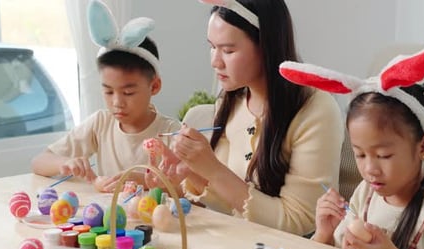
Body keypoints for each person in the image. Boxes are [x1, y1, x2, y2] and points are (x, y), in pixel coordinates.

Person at [146, 0, 344, 236]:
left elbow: (300, 221)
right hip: (239, 246)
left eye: (228, 50)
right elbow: (231, 208)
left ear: (266, 46)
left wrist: (213, 170)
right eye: (212, 47)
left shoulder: (315, 109)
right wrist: (191, 172)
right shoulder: (231, 101)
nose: (214, 62)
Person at [279, 47, 424, 249]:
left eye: (383, 156)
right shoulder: (366, 194)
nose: (370, 169)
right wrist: (325, 234)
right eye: (360, 155)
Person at [31, 0, 180, 192]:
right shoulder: (101, 123)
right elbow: (38, 162)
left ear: (155, 86)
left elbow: (192, 194)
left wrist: (145, 180)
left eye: (128, 92)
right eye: (108, 91)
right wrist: (66, 163)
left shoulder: (171, 132)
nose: (117, 103)